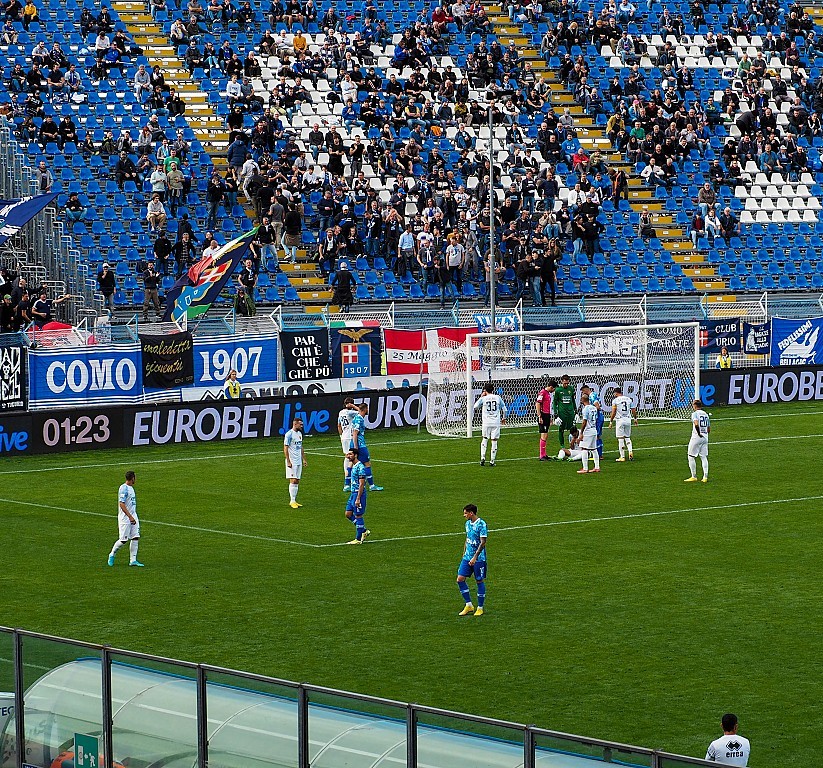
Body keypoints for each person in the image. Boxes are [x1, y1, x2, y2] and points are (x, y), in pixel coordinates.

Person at [456, 503, 487, 617]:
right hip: (467, 557)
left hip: (479, 559)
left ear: (471, 513)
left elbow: (483, 542)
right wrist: (464, 552)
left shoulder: (481, 524)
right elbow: (467, 538)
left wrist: (475, 557)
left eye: (465, 513)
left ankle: (480, 607)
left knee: (479, 581)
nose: (464, 515)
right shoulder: (467, 524)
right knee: (460, 579)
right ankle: (469, 605)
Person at [107, 470, 144, 567]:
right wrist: (130, 516)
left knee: (135, 537)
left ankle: (133, 560)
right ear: (132, 478)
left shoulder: (131, 488)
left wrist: (133, 516)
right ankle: (112, 554)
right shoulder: (123, 488)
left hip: (133, 516)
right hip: (125, 518)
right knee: (123, 540)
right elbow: (121, 504)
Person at [350, 402, 383, 491]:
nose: (368, 410)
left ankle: (349, 484)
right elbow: (355, 433)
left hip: (353, 443)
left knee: (354, 464)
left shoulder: (357, 417)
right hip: (359, 445)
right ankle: (371, 485)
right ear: (364, 410)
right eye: (367, 409)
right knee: (367, 464)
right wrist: (356, 447)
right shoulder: (359, 419)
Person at [473, 381, 507, 467]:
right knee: (494, 441)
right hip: (496, 422)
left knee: (484, 439)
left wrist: (481, 397)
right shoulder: (498, 397)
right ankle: (492, 461)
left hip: (486, 423)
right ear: (493, 389)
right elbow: (505, 409)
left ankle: (483, 458)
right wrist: (504, 418)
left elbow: (475, 406)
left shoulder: (483, 398)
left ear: (485, 390)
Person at [344, 447, 370, 544]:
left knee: (358, 515)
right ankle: (363, 530)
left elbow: (362, 484)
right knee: (348, 514)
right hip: (353, 493)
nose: (348, 455)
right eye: (348, 454)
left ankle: (358, 539)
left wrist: (358, 498)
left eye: (350, 454)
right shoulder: (354, 466)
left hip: (359, 494)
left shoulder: (360, 467)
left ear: (355, 455)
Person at [609, 387, 637, 462]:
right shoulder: (628, 399)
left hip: (620, 420)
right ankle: (630, 451)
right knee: (627, 437)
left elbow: (614, 412)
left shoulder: (615, 401)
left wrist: (611, 421)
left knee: (621, 438)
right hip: (628, 419)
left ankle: (622, 456)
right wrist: (635, 419)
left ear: (616, 393)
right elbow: (633, 410)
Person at [685, 399, 710, 483]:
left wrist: (699, 433)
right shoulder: (706, 414)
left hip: (696, 437)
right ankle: (705, 477)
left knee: (690, 456)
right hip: (705, 437)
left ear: (695, 406)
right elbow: (709, 428)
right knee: (703, 457)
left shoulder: (694, 414)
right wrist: (704, 434)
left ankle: (694, 476)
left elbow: (696, 424)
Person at [283, 416, 306, 509]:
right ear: (295, 424)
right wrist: (288, 461)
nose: (302, 426)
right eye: (300, 424)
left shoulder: (299, 434)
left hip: (298, 460)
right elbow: (285, 448)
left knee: (297, 480)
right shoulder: (289, 434)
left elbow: (301, 447)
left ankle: (295, 500)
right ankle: (292, 501)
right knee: (292, 480)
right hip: (292, 460)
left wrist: (304, 459)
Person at [337, 396, 358, 491]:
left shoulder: (341, 412)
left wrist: (341, 436)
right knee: (352, 457)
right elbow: (362, 412)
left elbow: (338, 426)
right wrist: (354, 406)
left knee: (347, 457)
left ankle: (347, 481)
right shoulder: (351, 412)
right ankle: (349, 481)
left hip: (344, 437)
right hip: (350, 437)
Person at [577, 393, 601, 474]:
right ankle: (597, 467)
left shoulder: (586, 409)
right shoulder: (594, 408)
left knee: (584, 448)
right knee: (594, 449)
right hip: (594, 430)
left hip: (588, 431)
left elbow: (584, 421)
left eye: (581, 399)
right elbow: (596, 419)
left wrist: (581, 432)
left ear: (583, 400)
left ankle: (585, 468)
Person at [552, 374, 576, 448]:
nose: (566, 385)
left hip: (570, 412)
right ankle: (562, 446)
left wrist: (576, 411)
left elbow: (573, 400)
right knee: (561, 429)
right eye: (564, 383)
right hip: (562, 413)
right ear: (561, 381)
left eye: (567, 383)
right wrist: (555, 414)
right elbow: (554, 402)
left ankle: (573, 445)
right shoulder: (558, 390)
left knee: (573, 429)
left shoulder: (571, 389)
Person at [536, 380, 556, 461]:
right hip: (543, 415)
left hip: (547, 415)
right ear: (551, 387)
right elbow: (537, 403)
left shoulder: (547, 393)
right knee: (543, 434)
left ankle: (544, 454)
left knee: (546, 434)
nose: (553, 391)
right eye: (554, 389)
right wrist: (539, 416)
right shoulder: (542, 392)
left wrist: (549, 417)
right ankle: (541, 455)